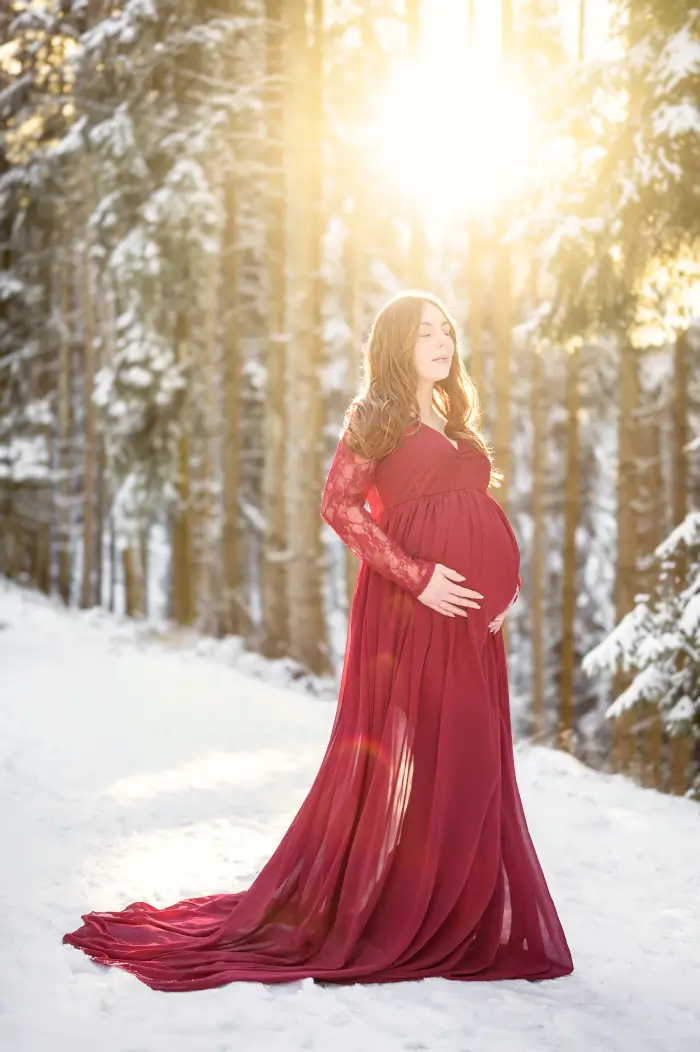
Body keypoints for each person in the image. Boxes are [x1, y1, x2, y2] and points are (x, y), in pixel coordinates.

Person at [62, 289, 574, 991]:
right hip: (410, 610)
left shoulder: (456, 419)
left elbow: (477, 510)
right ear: (396, 343)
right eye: (425, 331)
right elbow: (339, 504)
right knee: (417, 753)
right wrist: (418, 576)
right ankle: (396, 910)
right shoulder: (376, 417)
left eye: (446, 330)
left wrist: (504, 583)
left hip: (470, 626)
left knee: (473, 759)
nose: (441, 340)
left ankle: (457, 912)